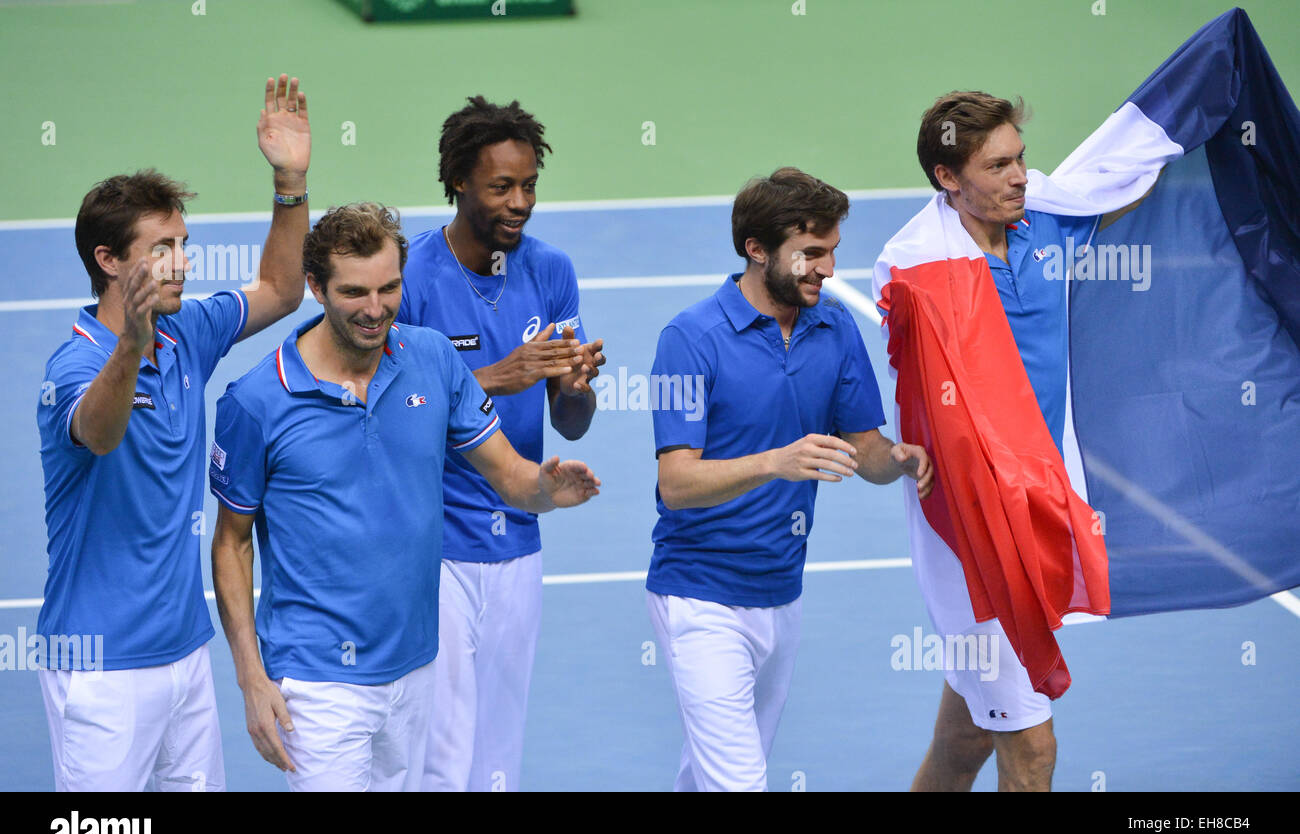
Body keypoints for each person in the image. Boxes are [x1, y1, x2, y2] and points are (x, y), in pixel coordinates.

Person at [208, 203, 600, 792]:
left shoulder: (433, 359)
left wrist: (547, 490)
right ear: (315, 287)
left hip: (416, 667)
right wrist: (250, 678)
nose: (375, 310)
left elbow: (512, 478)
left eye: (389, 288)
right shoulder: (256, 402)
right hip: (319, 680)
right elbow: (232, 543)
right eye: (354, 292)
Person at [34, 75, 312, 792]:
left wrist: (289, 182)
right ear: (109, 261)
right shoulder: (74, 364)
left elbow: (281, 290)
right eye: (162, 247)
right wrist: (133, 343)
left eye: (183, 244)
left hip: (185, 656)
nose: (181, 262)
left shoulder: (189, 331)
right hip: (98, 670)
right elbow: (98, 432)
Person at [885, 91, 1142, 792]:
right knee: (1031, 746)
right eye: (997, 165)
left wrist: (1196, 116)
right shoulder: (915, 269)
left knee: (961, 744)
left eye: (1021, 157)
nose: (1020, 175)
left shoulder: (1047, 223)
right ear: (947, 178)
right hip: (972, 536)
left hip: (1038, 505)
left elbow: (1125, 186)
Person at [647, 167, 934, 791]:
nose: (827, 270)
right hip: (700, 596)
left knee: (711, 777)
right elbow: (676, 483)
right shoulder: (688, 339)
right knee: (740, 783)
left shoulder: (835, 330)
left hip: (782, 593)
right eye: (810, 254)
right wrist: (774, 461)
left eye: (831, 253)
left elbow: (865, 450)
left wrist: (904, 460)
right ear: (757, 249)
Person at [397, 96, 604, 792]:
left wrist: (574, 384)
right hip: (436, 545)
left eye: (529, 185)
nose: (520, 202)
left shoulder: (551, 271)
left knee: (496, 755)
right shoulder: (410, 279)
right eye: (501, 187)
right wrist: (492, 376)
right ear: (458, 179)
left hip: (518, 540)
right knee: (441, 749)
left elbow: (570, 421)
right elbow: (386, 414)